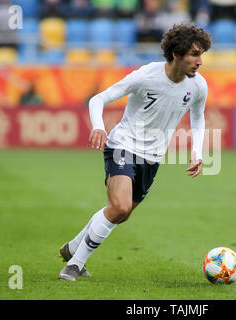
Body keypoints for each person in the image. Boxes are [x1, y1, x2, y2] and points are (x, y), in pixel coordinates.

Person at [57, 23, 212, 281]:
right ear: (176, 54)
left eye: (202, 54)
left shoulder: (198, 86)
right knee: (120, 206)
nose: (200, 61)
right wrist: (98, 127)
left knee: (122, 212)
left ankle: (73, 247)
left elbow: (198, 117)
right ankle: (74, 265)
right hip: (124, 145)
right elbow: (98, 99)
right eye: (195, 54)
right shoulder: (146, 76)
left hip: (153, 157)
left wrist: (197, 152)